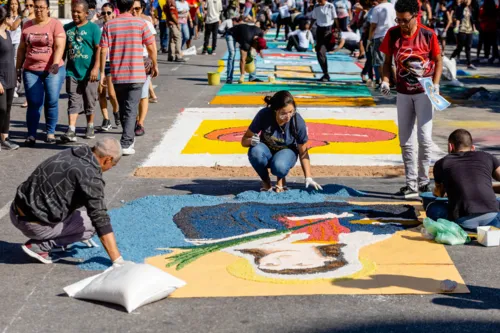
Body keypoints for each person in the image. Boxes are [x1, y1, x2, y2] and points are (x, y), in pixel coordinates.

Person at [10, 137, 126, 264]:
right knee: (91, 226)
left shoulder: (73, 152)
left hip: (17, 209)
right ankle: (41, 246)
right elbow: (99, 218)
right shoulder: (89, 175)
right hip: (33, 224)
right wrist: (117, 260)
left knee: (80, 212)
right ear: (107, 159)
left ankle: (61, 235)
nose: (110, 168)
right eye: (113, 165)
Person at [379, 0, 442, 198]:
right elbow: (387, 62)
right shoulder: (393, 33)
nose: (401, 24)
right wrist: (385, 81)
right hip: (404, 93)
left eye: (405, 20)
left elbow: (438, 60)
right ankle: (411, 184)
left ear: (415, 15)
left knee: (424, 139)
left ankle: (423, 182)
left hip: (425, 92)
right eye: (398, 19)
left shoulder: (428, 34)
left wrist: (437, 84)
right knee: (405, 140)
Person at [99, 0, 158, 156]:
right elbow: (151, 46)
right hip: (137, 74)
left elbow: (103, 50)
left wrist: (102, 73)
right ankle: (126, 142)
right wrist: (155, 65)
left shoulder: (109, 25)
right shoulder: (140, 23)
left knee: (125, 108)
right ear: (132, 7)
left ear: (117, 7)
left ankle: (128, 139)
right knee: (131, 109)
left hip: (118, 74)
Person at [241, 91, 323, 193]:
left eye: (291, 112)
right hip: (266, 150)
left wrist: (308, 177)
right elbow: (244, 141)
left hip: (287, 152)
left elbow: (303, 152)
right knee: (255, 152)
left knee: (280, 166)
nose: (288, 116)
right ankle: (266, 182)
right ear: (275, 110)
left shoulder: (297, 121)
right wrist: (251, 141)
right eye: (283, 113)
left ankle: (280, 180)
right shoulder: (264, 115)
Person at [16, 0, 66, 146]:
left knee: (51, 100)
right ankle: (31, 134)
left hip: (52, 69)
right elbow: (21, 49)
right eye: (36, 7)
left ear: (48, 9)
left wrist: (55, 63)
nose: (38, 10)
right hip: (31, 70)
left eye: (42, 7)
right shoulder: (27, 25)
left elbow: (59, 46)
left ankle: (50, 132)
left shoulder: (55, 24)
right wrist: (17, 67)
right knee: (34, 102)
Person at [430, 129, 500, 229]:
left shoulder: (442, 163)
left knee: (433, 208)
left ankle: (463, 229)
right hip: (491, 217)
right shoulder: (487, 156)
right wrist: (488, 186)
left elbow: (439, 194)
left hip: (463, 221)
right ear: (473, 148)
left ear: (451, 146)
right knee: (496, 201)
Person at [60, 0, 101, 143]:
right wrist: (58, 65)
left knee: (90, 100)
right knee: (73, 100)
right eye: (73, 11)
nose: (75, 14)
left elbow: (98, 49)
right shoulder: (67, 28)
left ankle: (90, 125)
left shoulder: (93, 29)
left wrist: (96, 68)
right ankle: (71, 129)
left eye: (78, 12)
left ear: (87, 13)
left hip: (90, 73)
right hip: (72, 71)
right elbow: (63, 49)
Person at [132, 0, 156, 137]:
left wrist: (154, 64)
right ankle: (133, 120)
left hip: (143, 61)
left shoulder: (146, 23)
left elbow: (152, 46)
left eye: (138, 9)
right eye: (132, 9)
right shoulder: (124, 22)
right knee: (128, 95)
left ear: (142, 9)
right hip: (127, 62)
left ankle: (140, 122)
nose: (135, 11)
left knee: (142, 93)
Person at [97, 2, 120, 132]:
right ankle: (106, 119)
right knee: (101, 93)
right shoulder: (97, 27)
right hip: (100, 63)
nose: (106, 15)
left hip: (112, 63)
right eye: (103, 12)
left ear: (114, 13)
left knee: (112, 94)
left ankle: (116, 111)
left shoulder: (116, 26)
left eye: (108, 12)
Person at [0, 6, 20, 151]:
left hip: (10, 76)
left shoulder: (7, 33)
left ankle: (4, 138)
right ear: (5, 18)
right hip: (1, 78)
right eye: (11, 17)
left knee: (7, 110)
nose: (13, 19)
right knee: (0, 109)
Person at [368, 0, 396, 86]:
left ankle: (384, 82)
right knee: (392, 61)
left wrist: (369, 39)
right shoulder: (392, 6)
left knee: (380, 61)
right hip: (392, 35)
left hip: (380, 36)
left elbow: (373, 25)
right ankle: (396, 81)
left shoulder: (377, 8)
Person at [311, 0, 338, 82]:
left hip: (328, 31)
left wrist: (337, 30)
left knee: (321, 51)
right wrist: (309, 29)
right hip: (319, 31)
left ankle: (326, 74)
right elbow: (313, 18)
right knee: (319, 53)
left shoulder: (330, 6)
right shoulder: (316, 6)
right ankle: (325, 73)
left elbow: (335, 18)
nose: (318, 1)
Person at [450, 0, 478, 70]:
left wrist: (474, 29)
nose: (468, 1)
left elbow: (472, 20)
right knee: (460, 47)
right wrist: (456, 27)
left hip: (469, 30)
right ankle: (451, 58)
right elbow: (458, 19)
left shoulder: (471, 8)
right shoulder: (460, 8)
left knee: (468, 47)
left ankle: (469, 63)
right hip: (462, 29)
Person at [219, 15, 241, 83]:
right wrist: (226, 31)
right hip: (229, 37)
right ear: (234, 20)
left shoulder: (239, 24)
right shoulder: (227, 22)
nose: (237, 24)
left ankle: (231, 76)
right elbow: (219, 30)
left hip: (236, 37)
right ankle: (229, 77)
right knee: (232, 54)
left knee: (234, 56)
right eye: (236, 22)